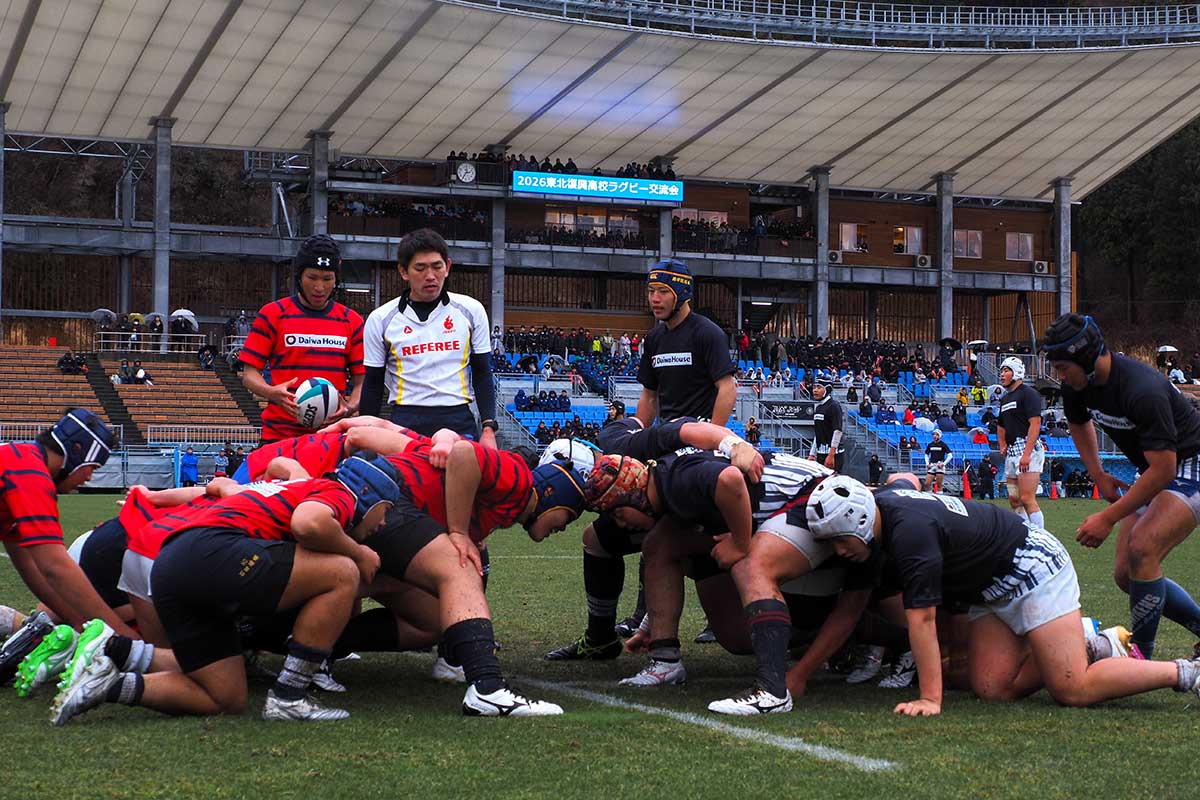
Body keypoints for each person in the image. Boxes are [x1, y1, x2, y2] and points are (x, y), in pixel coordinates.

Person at [804, 474, 1200, 718]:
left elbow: (921, 620)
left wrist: (930, 698)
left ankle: (1185, 673)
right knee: (994, 689)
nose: (838, 552)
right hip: (991, 585)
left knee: (1071, 688)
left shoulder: (909, 532)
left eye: (838, 541)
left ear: (857, 520)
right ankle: (1089, 643)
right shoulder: (880, 511)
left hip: (1033, 565)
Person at [50, 456, 400, 725]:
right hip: (209, 550)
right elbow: (309, 524)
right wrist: (358, 551)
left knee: (224, 697)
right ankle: (289, 697)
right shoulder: (339, 494)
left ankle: (108, 676)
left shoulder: (300, 485)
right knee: (342, 573)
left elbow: (272, 475)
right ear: (367, 495)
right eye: (385, 511)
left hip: (174, 557)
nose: (383, 523)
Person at [1043, 313, 1200, 657]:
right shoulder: (1076, 384)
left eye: (1062, 367)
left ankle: (1139, 658)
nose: (1059, 376)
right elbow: (1078, 422)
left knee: (1143, 547)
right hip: (1158, 465)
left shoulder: (1143, 389)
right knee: (1127, 575)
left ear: (1085, 360)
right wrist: (1097, 473)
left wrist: (1108, 517)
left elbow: (1164, 469)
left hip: (1190, 463)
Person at [636, 259, 736, 644]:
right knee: (654, 529)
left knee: (703, 528)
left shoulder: (707, 333)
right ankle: (644, 615)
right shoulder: (654, 339)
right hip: (665, 445)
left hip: (699, 450)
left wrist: (715, 437)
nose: (654, 299)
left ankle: (717, 614)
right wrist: (638, 439)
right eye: (650, 291)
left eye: (662, 292)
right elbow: (649, 394)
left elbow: (727, 387)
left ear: (682, 293)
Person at [0, 410, 137, 644]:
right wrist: (118, 634)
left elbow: (32, 567)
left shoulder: (20, 460)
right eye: (92, 467)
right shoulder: (30, 474)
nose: (89, 478)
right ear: (76, 452)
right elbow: (56, 566)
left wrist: (79, 621)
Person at [360, 229, 496, 448]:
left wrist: (489, 428)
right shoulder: (381, 319)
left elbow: (482, 373)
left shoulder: (471, 310)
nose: (430, 275)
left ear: (448, 267)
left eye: (437, 266)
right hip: (405, 422)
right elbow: (373, 384)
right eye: (420, 268)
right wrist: (364, 433)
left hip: (458, 420)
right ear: (404, 271)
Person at [240, 234, 365, 444]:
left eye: (327, 279)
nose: (319, 287)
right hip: (278, 437)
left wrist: (351, 406)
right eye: (312, 277)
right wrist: (272, 392)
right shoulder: (273, 314)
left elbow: (363, 380)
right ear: (299, 276)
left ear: (336, 278)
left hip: (331, 438)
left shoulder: (351, 320)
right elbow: (249, 374)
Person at [996, 357, 1046, 527]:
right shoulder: (1005, 398)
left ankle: (1041, 537)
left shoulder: (1028, 393)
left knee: (1026, 497)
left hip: (1028, 450)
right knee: (1014, 499)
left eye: (1006, 370)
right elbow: (1000, 425)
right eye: (1001, 371)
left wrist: (1026, 454)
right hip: (1012, 452)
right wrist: (1002, 444)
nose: (1001, 374)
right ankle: (1025, 534)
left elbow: (1035, 423)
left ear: (1016, 372)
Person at [809, 383, 845, 472]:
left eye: (819, 387)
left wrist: (831, 455)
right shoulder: (818, 408)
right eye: (814, 387)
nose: (815, 390)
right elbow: (817, 433)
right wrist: (812, 454)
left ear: (827, 390)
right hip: (820, 453)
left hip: (833, 454)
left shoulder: (834, 406)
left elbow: (838, 431)